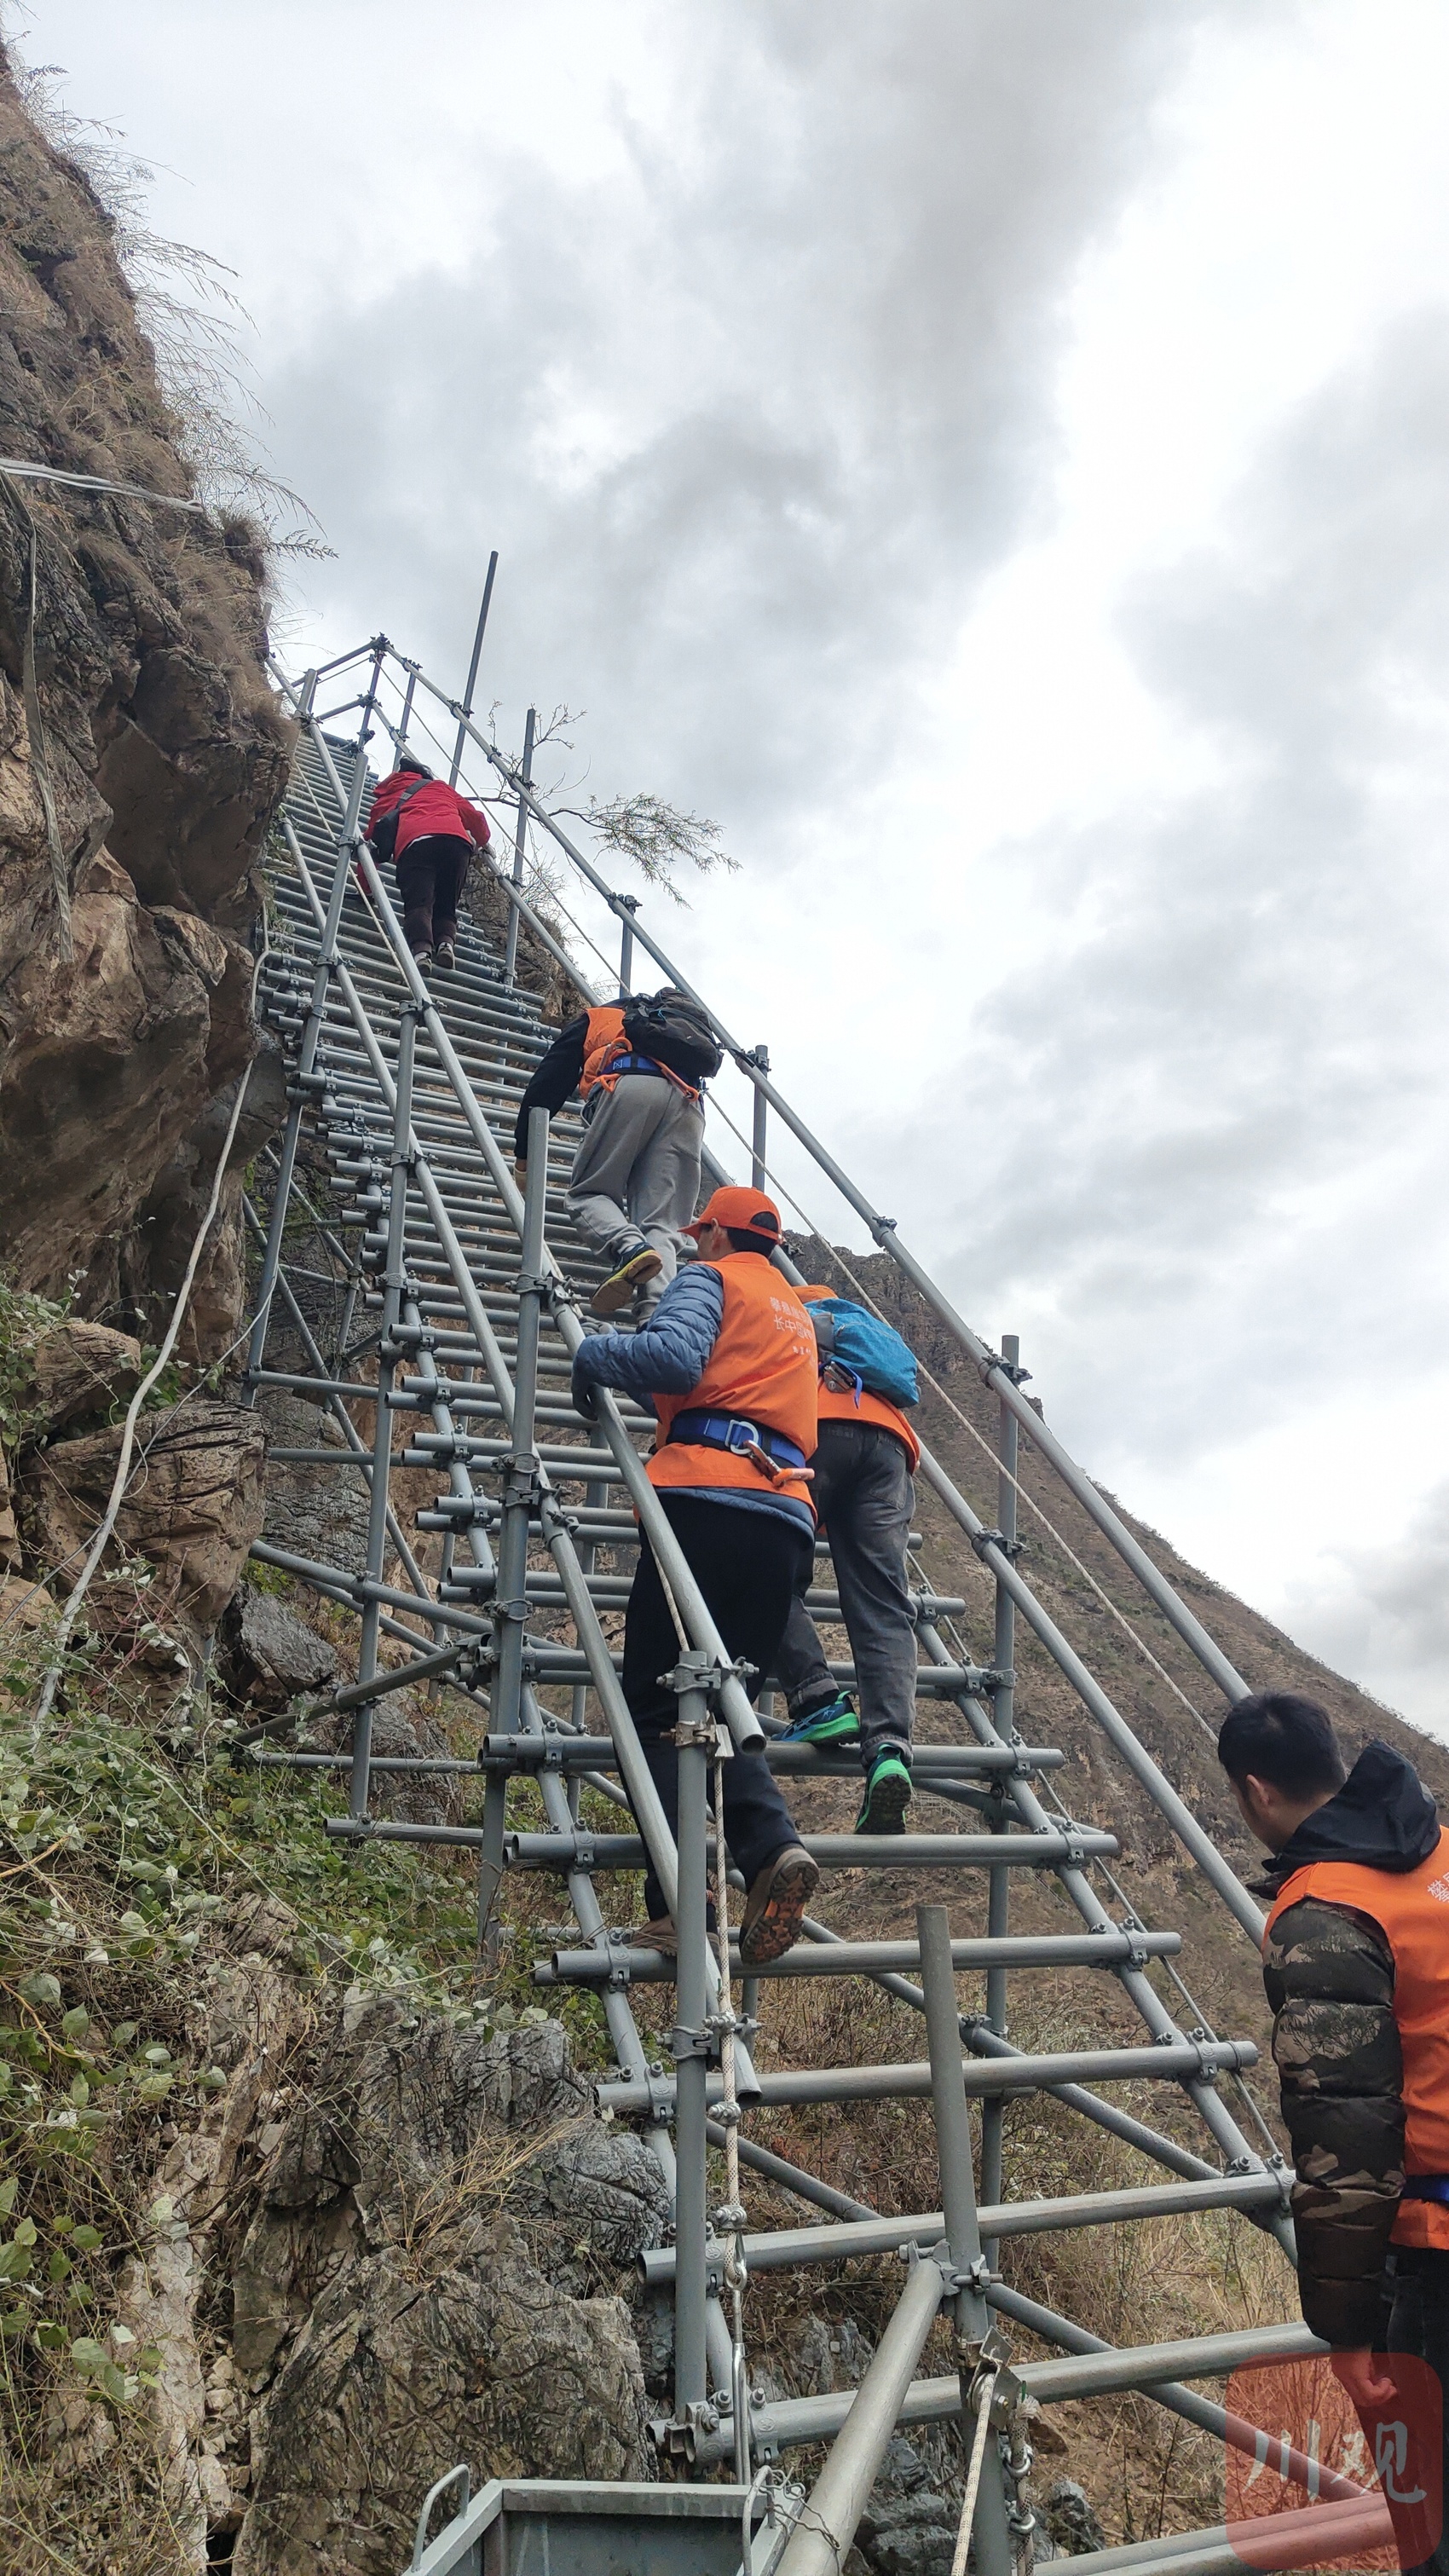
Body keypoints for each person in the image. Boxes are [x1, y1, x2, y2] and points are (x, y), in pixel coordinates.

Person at [1217, 1691, 1448, 2576]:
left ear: (1251, 1792)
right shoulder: (1434, 1851)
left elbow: (1342, 2139)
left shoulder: (1323, 1912)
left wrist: (1345, 2334)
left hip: (1428, 2257)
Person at [570, 1184, 821, 1967]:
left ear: (711, 1234)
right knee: (717, 1698)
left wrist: (592, 1351)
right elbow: (708, 1381)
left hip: (709, 1508)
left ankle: (682, 1905)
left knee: (651, 1706)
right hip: (783, 1516)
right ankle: (766, 1849)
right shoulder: (795, 1312)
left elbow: (674, 1356)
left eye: (699, 1233)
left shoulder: (711, 1279)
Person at [773, 1280, 921, 1835]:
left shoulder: (785, 1313)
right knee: (884, 1605)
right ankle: (888, 1751)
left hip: (814, 1431)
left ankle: (816, 1699)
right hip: (889, 1447)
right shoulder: (866, 1333)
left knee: (769, 1570)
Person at [514, 989, 709, 1316]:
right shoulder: (683, 1038)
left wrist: (525, 1155)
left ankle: (628, 1246)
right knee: (662, 1223)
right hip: (690, 1105)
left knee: (589, 1193)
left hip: (632, 1084)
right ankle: (657, 1320)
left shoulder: (599, 1018)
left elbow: (547, 1084)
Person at [366, 755, 491, 973]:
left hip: (416, 844)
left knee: (419, 903)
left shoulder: (391, 794)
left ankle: (422, 951)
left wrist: (366, 889)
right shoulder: (440, 788)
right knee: (446, 903)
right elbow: (477, 820)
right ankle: (446, 944)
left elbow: (371, 839)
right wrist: (481, 842)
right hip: (457, 844)